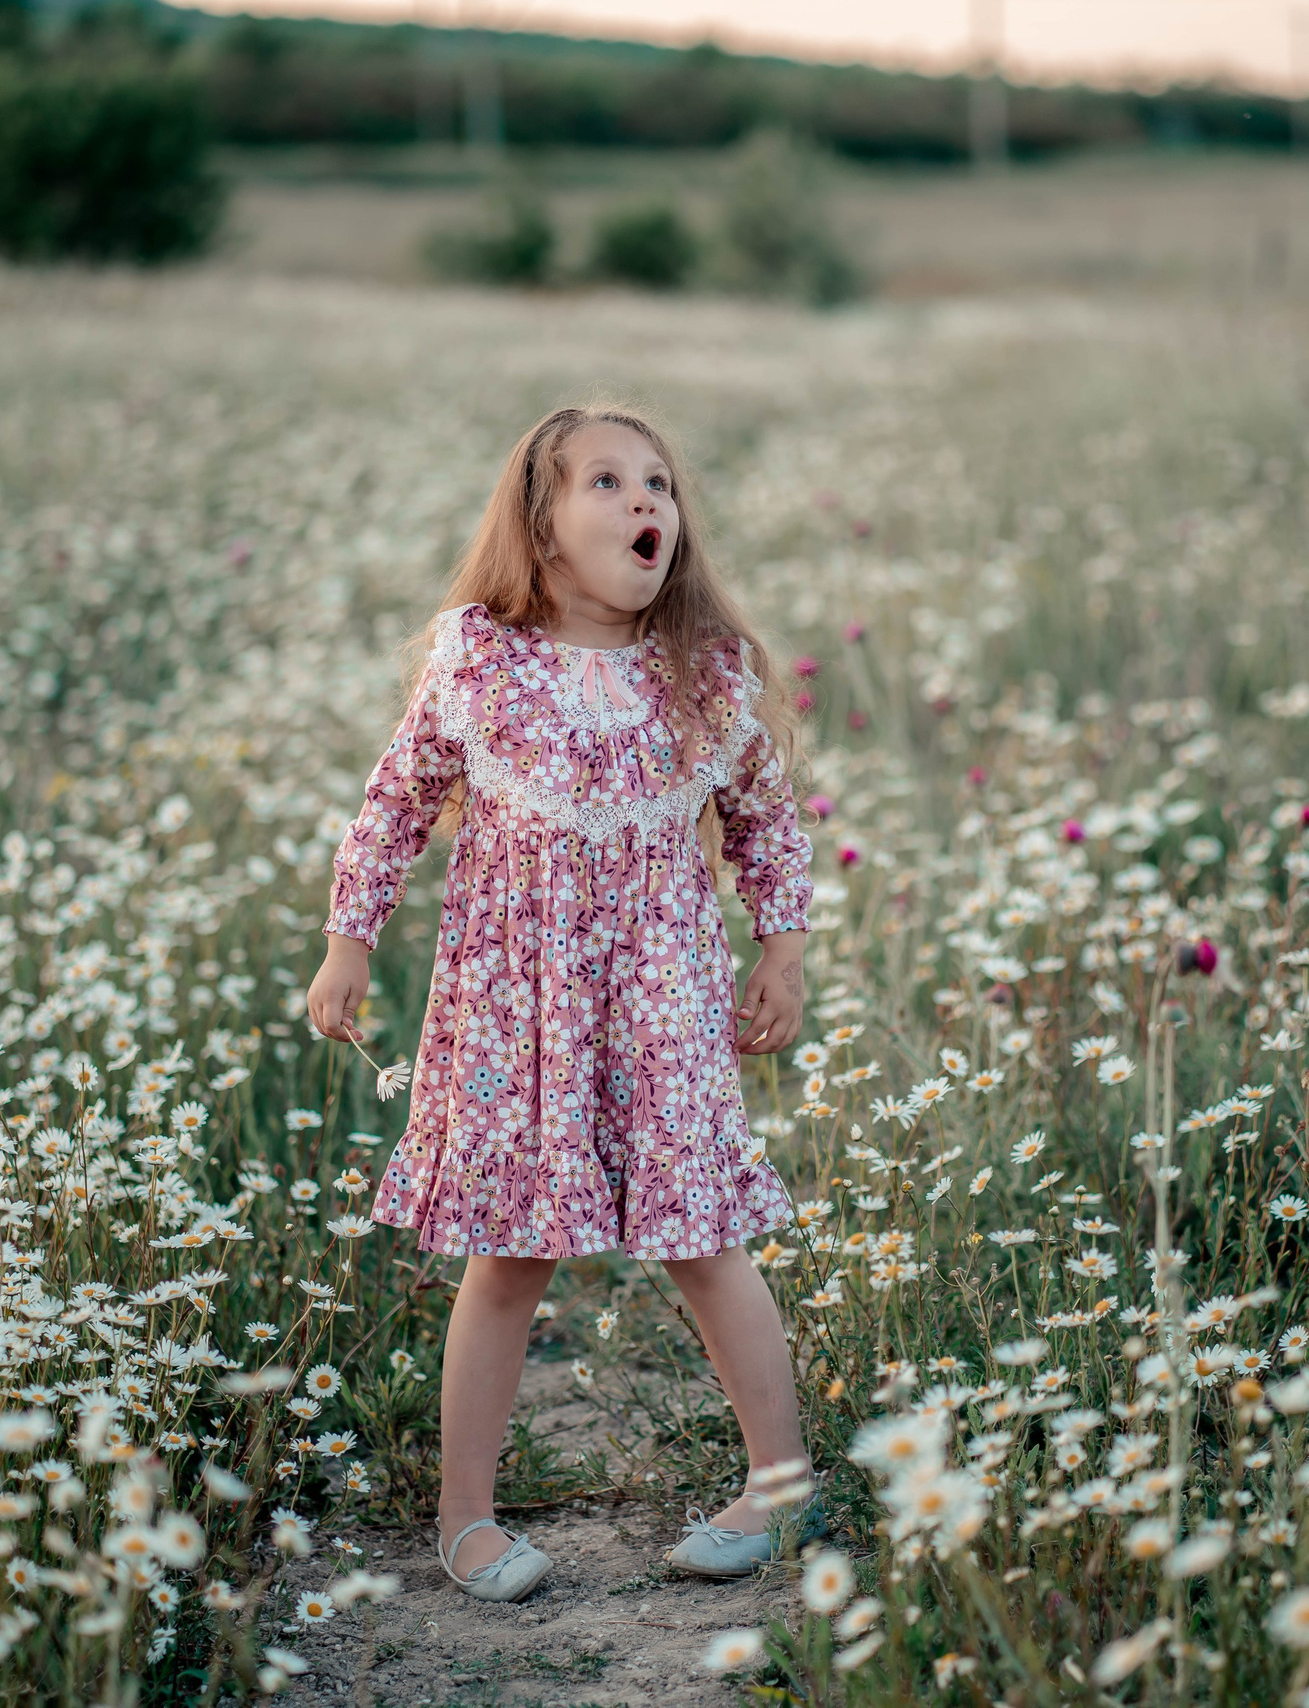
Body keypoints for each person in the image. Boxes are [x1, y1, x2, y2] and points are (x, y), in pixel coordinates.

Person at [306, 404, 821, 1603]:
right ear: (540, 529)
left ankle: (780, 1486)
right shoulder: (479, 660)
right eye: (607, 482)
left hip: (663, 998)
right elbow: (392, 804)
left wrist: (781, 952)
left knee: (704, 1237)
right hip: (510, 1005)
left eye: (659, 485)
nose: (648, 502)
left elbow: (763, 818)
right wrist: (347, 944)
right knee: (507, 1253)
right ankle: (466, 1516)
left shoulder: (701, 673)